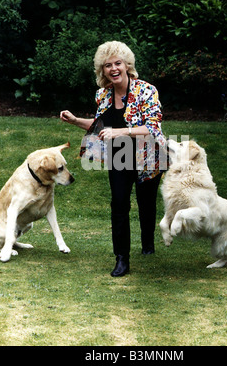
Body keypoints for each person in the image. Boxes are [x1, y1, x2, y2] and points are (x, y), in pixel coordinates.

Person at [60, 41, 166, 277]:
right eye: (108, 65)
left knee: (146, 202)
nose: (113, 68)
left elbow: (153, 128)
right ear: (102, 70)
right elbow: (100, 127)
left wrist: (120, 131)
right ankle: (122, 258)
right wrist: (76, 120)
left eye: (118, 63)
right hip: (120, 155)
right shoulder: (103, 94)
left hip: (149, 154)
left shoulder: (147, 90)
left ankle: (147, 243)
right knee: (119, 203)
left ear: (127, 65)